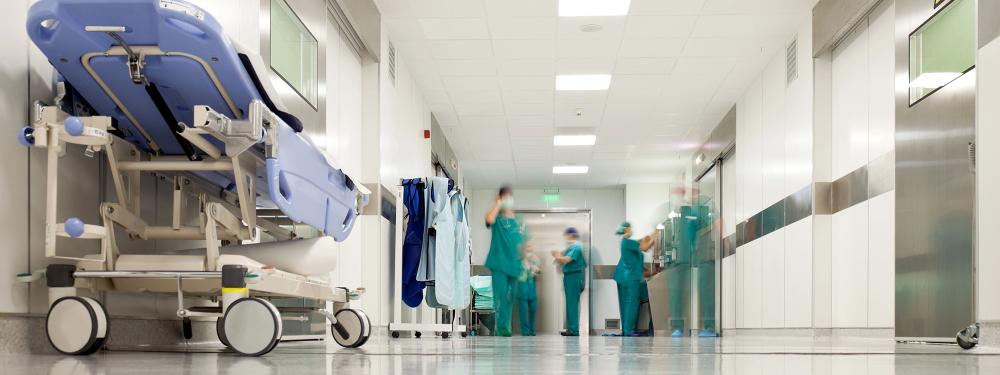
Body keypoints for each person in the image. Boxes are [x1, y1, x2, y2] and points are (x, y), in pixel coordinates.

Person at [484, 185, 523, 337]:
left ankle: (504, 326)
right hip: (499, 264)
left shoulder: (518, 221)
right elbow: (488, 219)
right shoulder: (497, 218)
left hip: (514, 266)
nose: (508, 200)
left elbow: (522, 243)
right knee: (500, 297)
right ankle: (501, 328)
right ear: (500, 198)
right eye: (505, 197)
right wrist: (498, 204)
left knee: (510, 297)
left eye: (509, 197)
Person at [613, 222, 658, 337]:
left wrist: (652, 234)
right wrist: (656, 234)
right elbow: (644, 246)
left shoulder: (630, 243)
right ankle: (628, 330)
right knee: (631, 303)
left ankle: (628, 330)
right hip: (628, 277)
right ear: (627, 229)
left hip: (629, 277)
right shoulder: (627, 242)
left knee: (630, 303)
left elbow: (643, 243)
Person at [551, 227, 586, 337]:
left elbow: (567, 259)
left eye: (566, 236)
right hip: (570, 277)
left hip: (574, 277)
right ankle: (571, 329)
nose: (565, 238)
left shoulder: (577, 246)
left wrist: (557, 256)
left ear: (571, 235)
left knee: (572, 304)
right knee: (570, 304)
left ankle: (574, 330)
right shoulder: (572, 247)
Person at [517, 246, 541, 336]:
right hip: (522, 290)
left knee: (533, 310)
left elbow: (538, 271)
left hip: (532, 290)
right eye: (527, 250)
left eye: (530, 250)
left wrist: (536, 269)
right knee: (523, 312)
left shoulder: (535, 261)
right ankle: (525, 331)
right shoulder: (519, 262)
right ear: (523, 251)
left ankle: (531, 330)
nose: (529, 252)